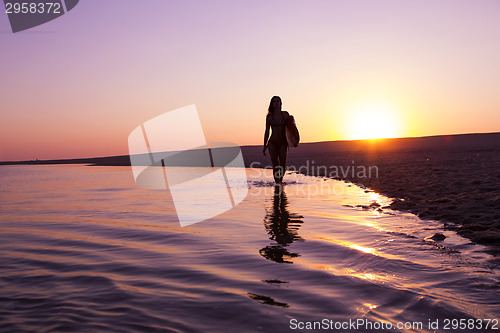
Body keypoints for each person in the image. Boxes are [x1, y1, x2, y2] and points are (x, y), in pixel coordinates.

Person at [263, 96, 289, 185]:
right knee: (275, 166)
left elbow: (291, 129)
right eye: (274, 102)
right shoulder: (269, 117)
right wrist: (264, 145)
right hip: (273, 143)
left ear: (280, 103)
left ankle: (280, 181)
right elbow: (267, 131)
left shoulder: (285, 114)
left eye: (278, 101)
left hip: (283, 143)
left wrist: (294, 141)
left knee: (283, 165)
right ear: (272, 104)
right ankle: (277, 183)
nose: (276, 103)